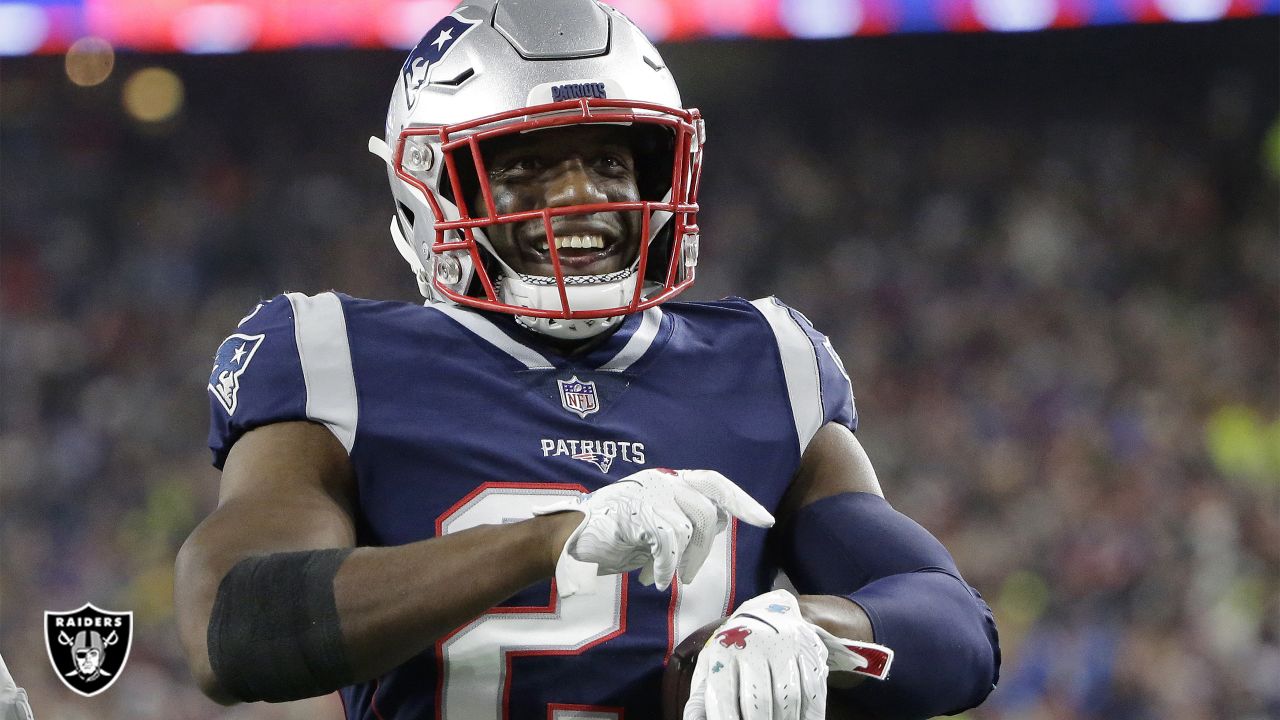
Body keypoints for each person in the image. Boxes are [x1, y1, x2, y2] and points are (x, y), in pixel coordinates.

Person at [173, 0, 1000, 717]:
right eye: (526, 166)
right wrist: (553, 541)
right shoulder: (331, 357)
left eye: (610, 161)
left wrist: (811, 631)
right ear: (428, 186)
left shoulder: (767, 361)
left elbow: (955, 628)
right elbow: (232, 632)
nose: (581, 197)